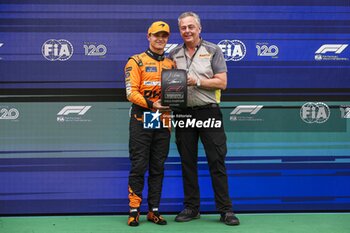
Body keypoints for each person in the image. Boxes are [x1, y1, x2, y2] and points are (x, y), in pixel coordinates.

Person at [168, 12, 240, 226]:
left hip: (209, 111)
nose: (187, 31)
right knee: (187, 162)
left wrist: (196, 81)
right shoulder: (173, 54)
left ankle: (225, 210)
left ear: (199, 29)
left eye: (191, 27)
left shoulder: (213, 50)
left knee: (216, 161)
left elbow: (222, 82)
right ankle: (192, 208)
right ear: (180, 30)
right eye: (183, 28)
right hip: (183, 112)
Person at [124, 21, 174, 227]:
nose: (160, 39)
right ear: (148, 36)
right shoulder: (136, 62)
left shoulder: (172, 64)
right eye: (156, 35)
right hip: (142, 118)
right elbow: (130, 93)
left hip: (163, 121)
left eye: (164, 36)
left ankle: (154, 211)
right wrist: (154, 105)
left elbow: (175, 93)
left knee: (158, 167)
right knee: (139, 166)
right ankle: (134, 210)